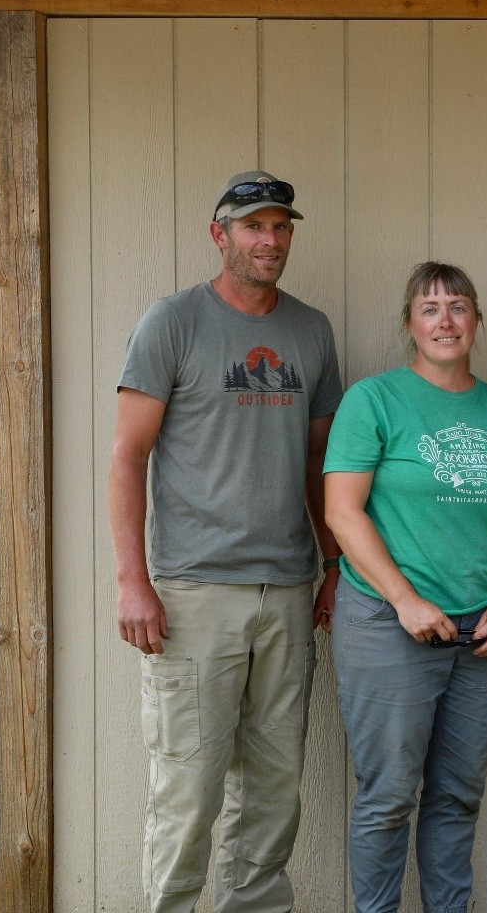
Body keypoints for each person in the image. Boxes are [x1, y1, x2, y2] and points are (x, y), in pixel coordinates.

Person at [109, 171, 344, 913]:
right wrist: (131, 580)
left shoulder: (311, 330)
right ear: (220, 235)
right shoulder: (173, 322)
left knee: (273, 790)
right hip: (192, 594)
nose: (269, 241)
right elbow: (127, 455)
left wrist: (333, 564)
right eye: (252, 227)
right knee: (189, 786)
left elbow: (317, 462)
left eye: (280, 227)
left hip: (286, 593)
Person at [324, 262, 487, 913]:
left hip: (481, 633)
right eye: (429, 308)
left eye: (457, 307)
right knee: (388, 799)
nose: (444, 321)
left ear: (476, 320)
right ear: (409, 326)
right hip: (388, 626)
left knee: (456, 797)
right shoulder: (375, 401)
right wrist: (404, 599)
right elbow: (342, 510)